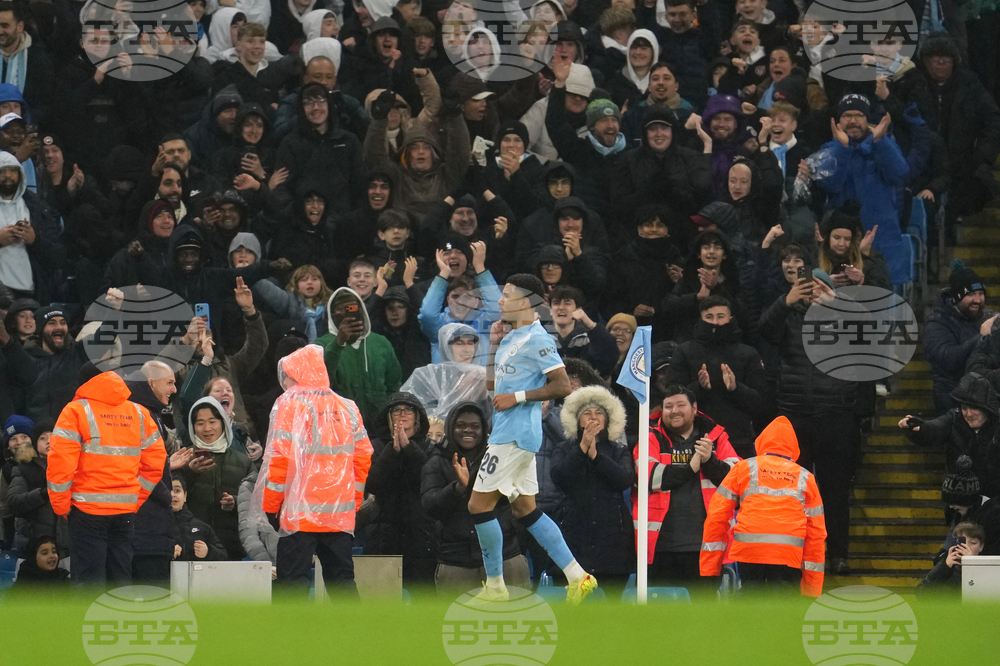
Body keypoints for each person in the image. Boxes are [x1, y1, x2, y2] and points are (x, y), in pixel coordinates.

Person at [468, 273, 597, 603]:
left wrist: (520, 397)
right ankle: (578, 576)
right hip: (509, 432)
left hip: (514, 435)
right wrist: (495, 344)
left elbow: (562, 385)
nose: (499, 300)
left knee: (478, 506)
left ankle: (495, 586)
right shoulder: (513, 336)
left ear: (525, 302)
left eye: (506, 295)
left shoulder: (538, 339)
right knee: (526, 510)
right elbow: (493, 386)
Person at [758, 268, 858, 575]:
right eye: (809, 288)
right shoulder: (789, 316)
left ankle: (837, 554)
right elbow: (762, 329)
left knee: (836, 491)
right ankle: (794, 553)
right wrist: (784, 302)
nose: (814, 293)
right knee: (791, 490)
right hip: (795, 415)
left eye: (820, 288)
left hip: (835, 415)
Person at [259, 344, 374, 598]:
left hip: (299, 517)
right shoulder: (348, 407)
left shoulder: (290, 404)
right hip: (338, 518)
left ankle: (291, 639)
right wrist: (351, 504)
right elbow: (363, 456)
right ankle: (355, 637)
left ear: (296, 375)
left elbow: (280, 460)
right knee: (342, 584)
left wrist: (270, 506)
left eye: (288, 376)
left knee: (292, 588)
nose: (285, 382)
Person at [46, 367, 167, 587]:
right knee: (120, 579)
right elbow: (156, 461)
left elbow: (60, 464)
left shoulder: (75, 411)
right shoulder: (139, 413)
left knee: (88, 583)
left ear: (84, 383)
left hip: (86, 511)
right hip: (124, 513)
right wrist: (134, 498)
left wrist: (62, 506)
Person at [701, 416, 827, 597]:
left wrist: (710, 568)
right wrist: (811, 590)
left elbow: (717, 516)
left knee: (751, 607)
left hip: (749, 550)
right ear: (794, 448)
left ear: (761, 442)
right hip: (788, 554)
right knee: (783, 611)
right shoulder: (805, 477)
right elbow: (816, 533)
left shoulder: (743, 468)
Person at [421, 401, 530, 593]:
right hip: (456, 561)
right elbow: (430, 506)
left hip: (505, 557)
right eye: (461, 425)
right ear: (450, 428)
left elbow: (519, 501)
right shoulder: (436, 462)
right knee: (453, 622)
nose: (468, 430)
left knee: (514, 621)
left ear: (484, 430)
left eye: (475, 426)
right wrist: (457, 488)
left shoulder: (500, 458)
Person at [636, 385, 739, 587]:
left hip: (708, 547)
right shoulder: (649, 436)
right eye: (668, 406)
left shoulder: (717, 438)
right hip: (659, 548)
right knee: (662, 616)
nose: (674, 410)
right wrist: (690, 468)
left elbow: (736, 481)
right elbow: (647, 477)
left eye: (680, 405)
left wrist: (710, 461)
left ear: (694, 408)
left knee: (703, 615)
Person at [550, 385, 635, 585]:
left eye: (599, 413)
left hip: (612, 538)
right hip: (574, 533)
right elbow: (559, 476)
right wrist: (581, 449)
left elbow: (624, 479)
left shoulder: (619, 449)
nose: (593, 417)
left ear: (607, 420)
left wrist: (596, 456)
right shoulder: (564, 448)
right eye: (587, 413)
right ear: (577, 420)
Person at [666, 296, 768, 460]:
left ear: (730, 318)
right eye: (709, 317)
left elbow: (761, 402)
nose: (714, 322)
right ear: (700, 318)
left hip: (738, 440)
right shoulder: (684, 351)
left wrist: (736, 389)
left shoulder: (748, 353)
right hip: (693, 439)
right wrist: (699, 388)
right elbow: (671, 395)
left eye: (720, 316)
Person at [363, 392, 437, 584]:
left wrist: (410, 449)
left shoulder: (431, 447)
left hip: (422, 534)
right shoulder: (376, 447)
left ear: (418, 416)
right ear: (389, 416)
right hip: (383, 533)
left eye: (408, 410)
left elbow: (428, 481)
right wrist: (392, 451)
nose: (402, 414)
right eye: (396, 410)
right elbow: (373, 484)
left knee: (422, 598)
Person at [902, 373, 1000, 498]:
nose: (968, 414)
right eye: (964, 408)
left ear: (987, 408)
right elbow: (936, 428)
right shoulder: (955, 418)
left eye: (974, 408)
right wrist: (918, 429)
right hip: (960, 499)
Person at [315, 287, 402, 424]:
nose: (347, 314)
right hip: (340, 427)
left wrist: (389, 419)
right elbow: (321, 385)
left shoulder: (381, 343)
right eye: (340, 309)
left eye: (351, 308)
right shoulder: (321, 345)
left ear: (361, 311)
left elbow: (394, 384)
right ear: (332, 315)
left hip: (379, 428)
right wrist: (338, 343)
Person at [181, 396, 252, 560]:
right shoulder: (184, 457)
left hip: (232, 544)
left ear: (223, 423)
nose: (207, 428)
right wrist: (189, 473)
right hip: (192, 543)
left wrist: (235, 502)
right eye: (200, 423)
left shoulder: (242, 461)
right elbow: (172, 495)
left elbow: (255, 498)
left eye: (212, 421)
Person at [924, 261, 997, 414]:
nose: (977, 300)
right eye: (970, 294)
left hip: (987, 401)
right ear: (956, 297)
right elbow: (948, 359)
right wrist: (981, 337)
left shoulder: (990, 318)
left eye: (981, 293)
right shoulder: (937, 323)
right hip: (952, 402)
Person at [400, 322, 489, 420]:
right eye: (459, 344)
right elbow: (410, 409)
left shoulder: (482, 376)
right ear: (446, 347)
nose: (466, 349)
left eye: (470, 344)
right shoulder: (427, 375)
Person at [8, 417, 67, 558]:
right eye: (42, 438)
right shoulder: (24, 469)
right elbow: (14, 503)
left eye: (54, 436)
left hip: (67, 546)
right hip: (34, 546)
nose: (49, 441)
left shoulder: (72, 468)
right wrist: (43, 493)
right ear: (34, 443)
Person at [549, 285, 618, 377]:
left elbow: (609, 357)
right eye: (556, 303)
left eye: (567, 303)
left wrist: (591, 324)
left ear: (578, 310)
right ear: (550, 310)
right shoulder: (540, 337)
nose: (561, 307)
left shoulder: (589, 337)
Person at [171, 477, 228, 561]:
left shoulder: (202, 527)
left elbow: (224, 557)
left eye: (177, 491)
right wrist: (164, 554)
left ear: (185, 496)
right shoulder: (153, 526)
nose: (172, 495)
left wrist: (208, 552)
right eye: (168, 490)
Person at [917, 521, 984, 592]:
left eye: (973, 543)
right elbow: (921, 592)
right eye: (962, 542)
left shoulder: (988, 568)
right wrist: (944, 567)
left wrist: (970, 565)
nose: (966, 547)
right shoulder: (946, 566)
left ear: (981, 546)